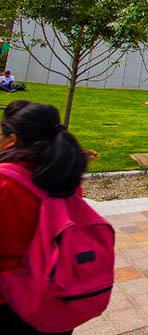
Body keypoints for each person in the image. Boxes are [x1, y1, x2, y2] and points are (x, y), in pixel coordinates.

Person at [0, 101, 90, 334]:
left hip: (12, 303)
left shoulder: (6, 185)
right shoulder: (65, 179)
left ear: (12, 139)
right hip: (56, 299)